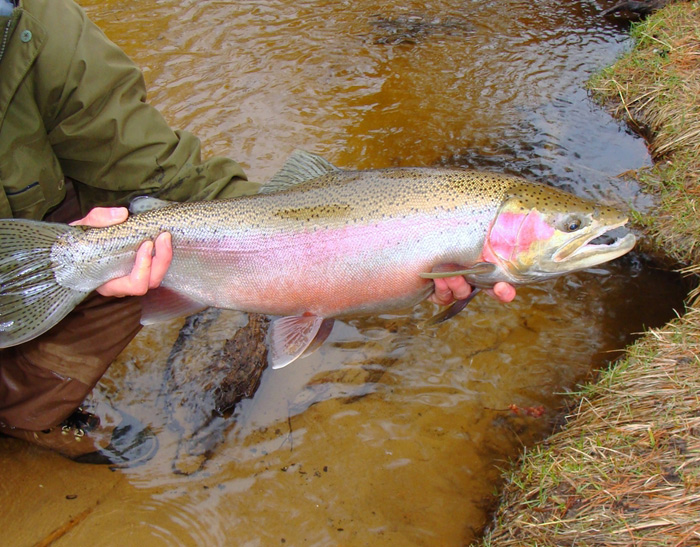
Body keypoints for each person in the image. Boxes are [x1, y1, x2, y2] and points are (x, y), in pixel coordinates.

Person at [0, 0, 515, 466]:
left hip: (34, 224)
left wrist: (300, 227)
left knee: (124, 245)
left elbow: (161, 169)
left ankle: (27, 410)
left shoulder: (40, 29)